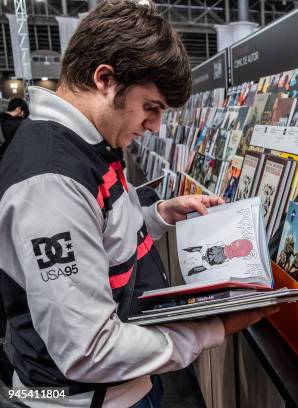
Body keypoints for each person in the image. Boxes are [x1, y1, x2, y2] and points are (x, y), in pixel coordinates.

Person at [0, 1, 275, 407]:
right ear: (105, 79)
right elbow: (89, 350)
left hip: (126, 383)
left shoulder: (90, 142)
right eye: (151, 107)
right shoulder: (51, 180)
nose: (155, 127)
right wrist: (211, 329)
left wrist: (158, 215)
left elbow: (99, 235)